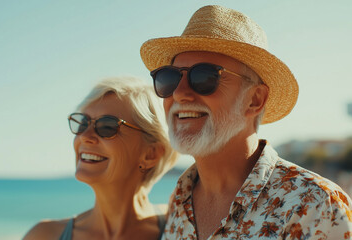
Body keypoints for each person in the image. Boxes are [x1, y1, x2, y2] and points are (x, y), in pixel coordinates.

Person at [140, 5, 352, 240]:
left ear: (255, 99)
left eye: (204, 76)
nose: (179, 93)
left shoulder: (315, 206)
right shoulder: (178, 201)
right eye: (168, 78)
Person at [23, 77, 178, 240]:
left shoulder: (179, 224)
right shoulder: (44, 235)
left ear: (151, 154)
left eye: (107, 126)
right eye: (83, 123)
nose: (85, 136)